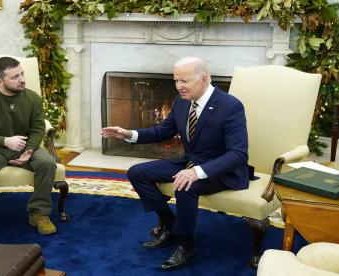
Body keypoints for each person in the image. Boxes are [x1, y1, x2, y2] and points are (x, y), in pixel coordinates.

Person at [101, 57, 249, 270]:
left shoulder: (230, 106)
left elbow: (238, 154)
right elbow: (163, 131)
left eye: (185, 81)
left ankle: (186, 245)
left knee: (185, 185)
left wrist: (197, 172)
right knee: (137, 173)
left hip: (221, 169)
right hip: (190, 162)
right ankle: (171, 227)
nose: (179, 86)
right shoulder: (181, 101)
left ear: (204, 78)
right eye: (176, 80)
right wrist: (129, 134)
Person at [0, 57, 57, 238]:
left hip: (24, 146)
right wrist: (5, 141)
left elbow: (38, 128)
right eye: (14, 77)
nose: (22, 79)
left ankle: (39, 213)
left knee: (47, 162)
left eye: (22, 73)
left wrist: (29, 150)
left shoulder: (33, 98)